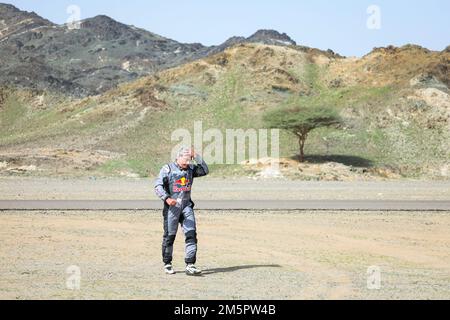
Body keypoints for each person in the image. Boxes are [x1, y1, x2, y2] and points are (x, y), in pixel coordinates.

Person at [154, 146, 209, 276]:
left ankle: (190, 264)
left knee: (191, 235)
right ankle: (167, 263)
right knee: (169, 236)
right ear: (178, 157)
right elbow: (157, 186)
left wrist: (196, 156)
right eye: (186, 159)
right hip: (172, 209)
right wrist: (167, 198)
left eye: (190, 159)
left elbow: (205, 170)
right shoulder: (167, 169)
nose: (188, 162)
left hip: (186, 207)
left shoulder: (190, 169)